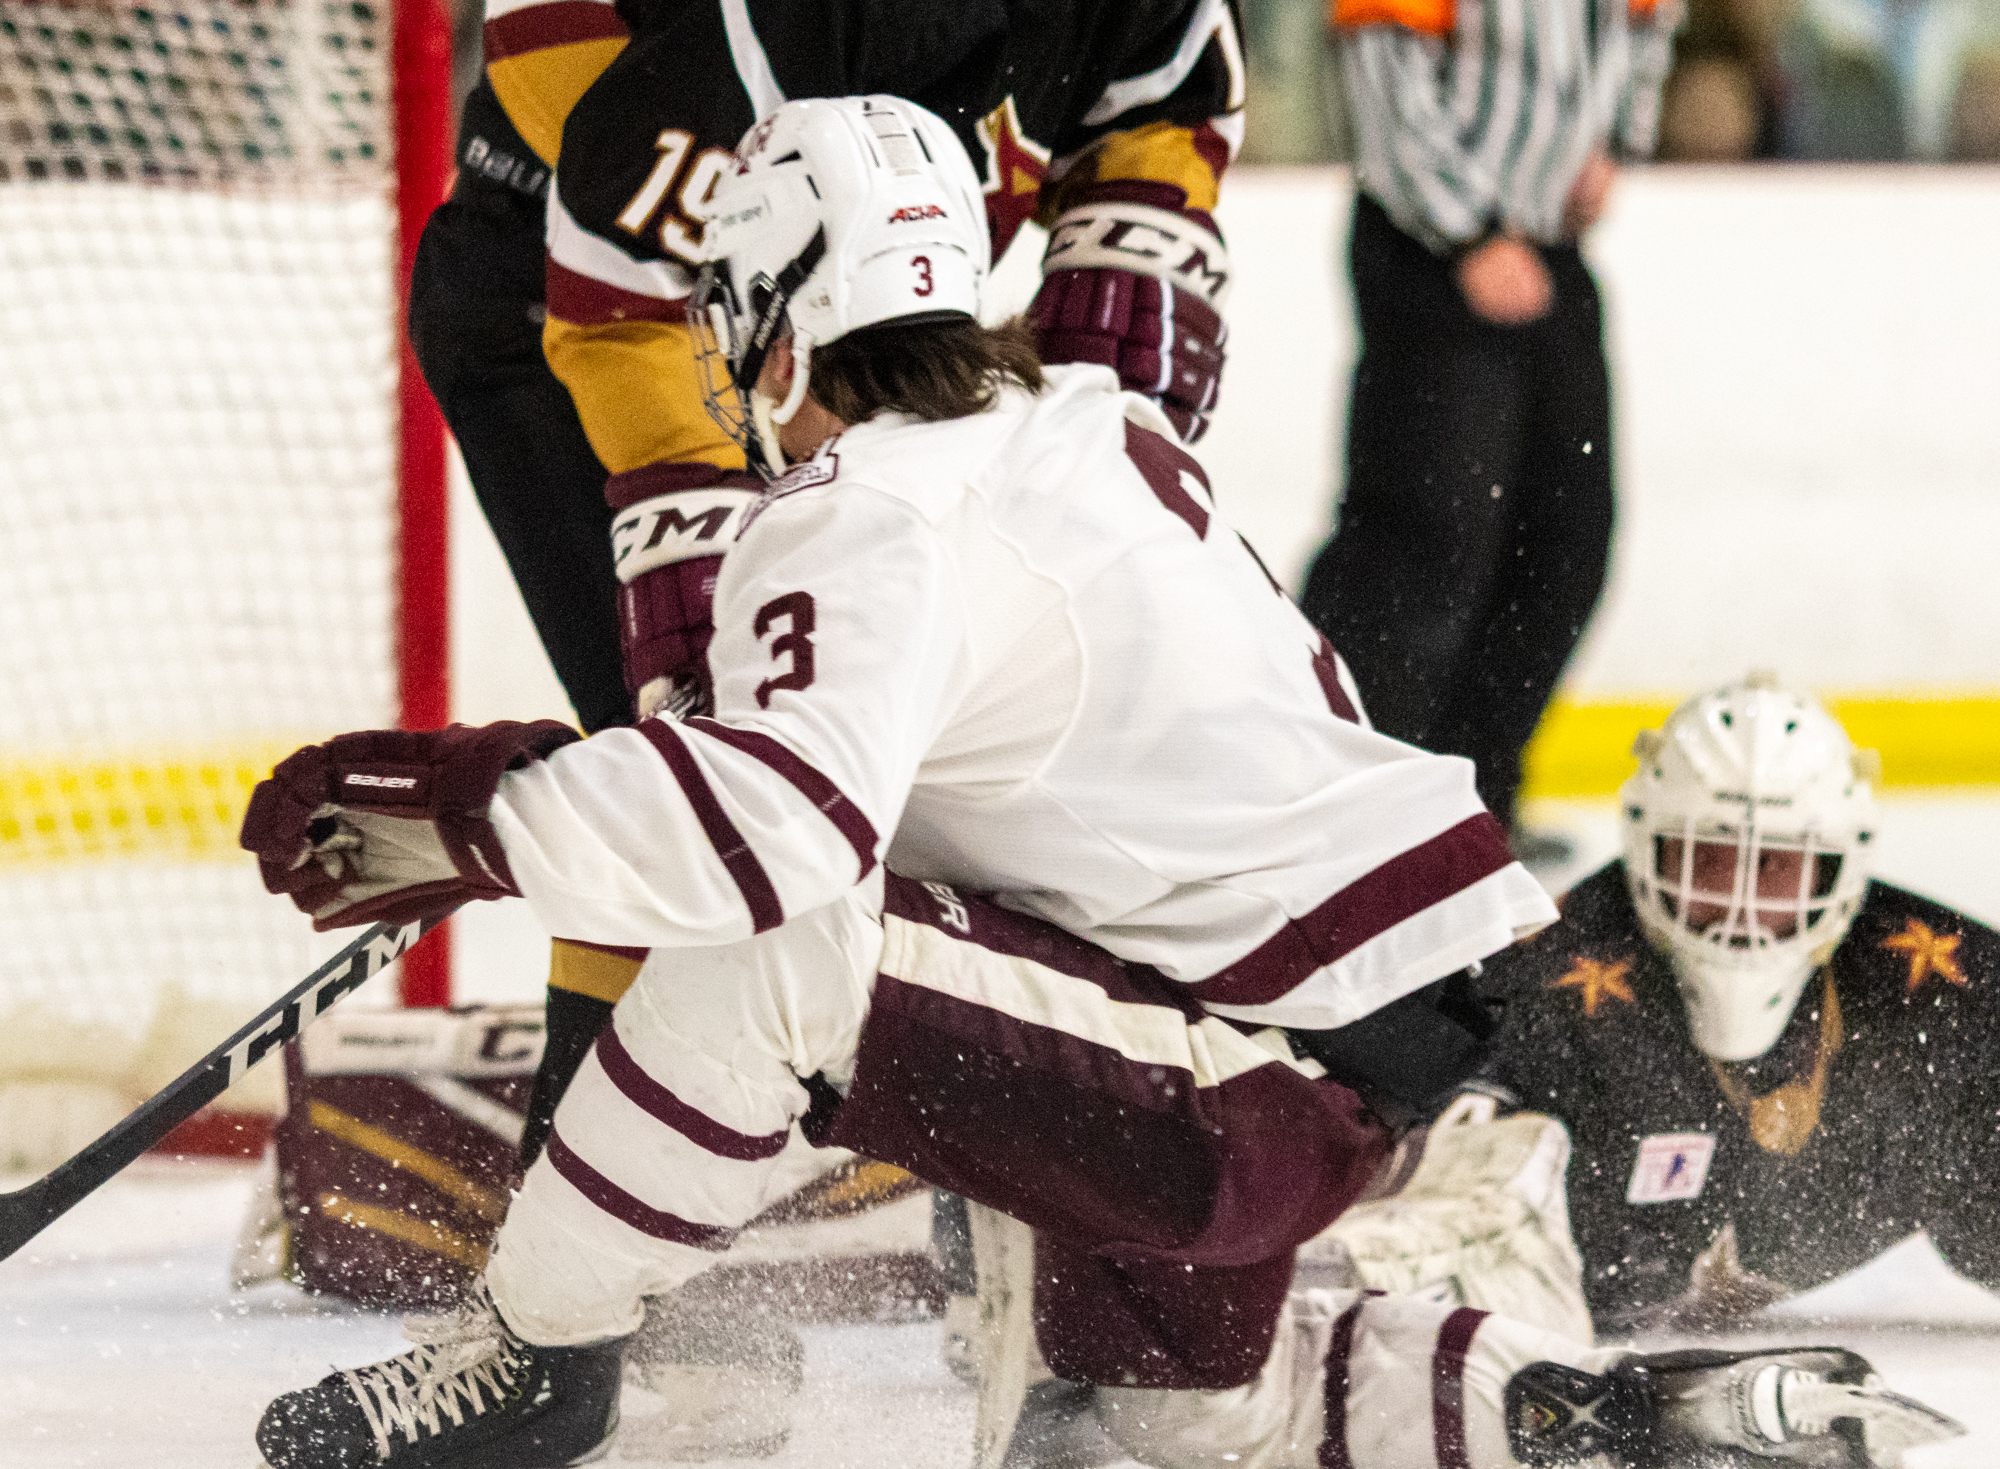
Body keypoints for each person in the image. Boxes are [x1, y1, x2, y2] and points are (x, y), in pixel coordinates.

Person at [242, 101, 1953, 1469]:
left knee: (782, 952)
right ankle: (1599, 1421)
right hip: (1375, 1037)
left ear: (778, 307)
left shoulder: (864, 513)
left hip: (1237, 1083)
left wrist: (471, 812)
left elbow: (771, 842)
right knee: (1173, 1423)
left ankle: (533, 1361)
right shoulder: (1089, 425)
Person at [410, 0, 1248, 1168]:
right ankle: (568, 1288)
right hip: (577, 311)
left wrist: (1097, 394)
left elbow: (1161, 102)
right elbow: (626, 299)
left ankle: (985, 1196)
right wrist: (699, 580)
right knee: (697, 775)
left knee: (981, 764)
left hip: (848, 321)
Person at [1471, 673, 2000, 1331]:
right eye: (1712, 857)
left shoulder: (1945, 988)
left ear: (1840, 869)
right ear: (1647, 847)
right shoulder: (1538, 988)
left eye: (1776, 862)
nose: (1742, 904)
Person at [1298, 0, 1682, 862]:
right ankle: (1346, 816)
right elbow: (1378, 69)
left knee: (1566, 537)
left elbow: (1648, 22)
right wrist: (1466, 230)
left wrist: (1619, 139)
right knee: (1420, 544)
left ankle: (1471, 808)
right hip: (1429, 248)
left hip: (1547, 250)